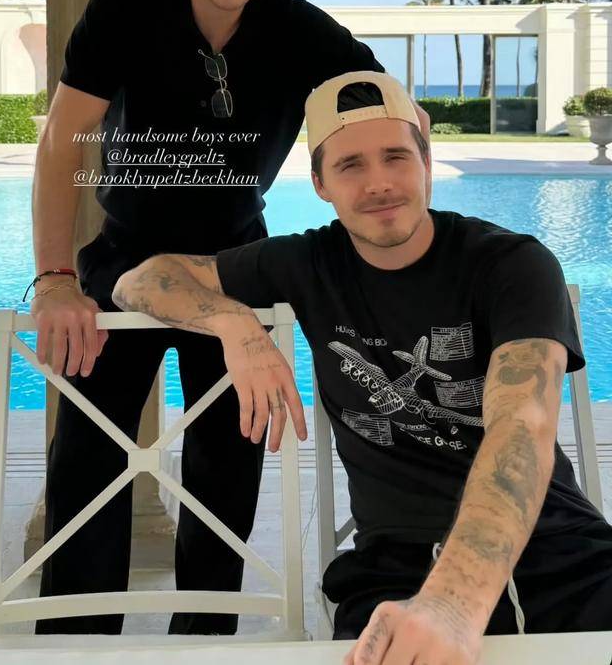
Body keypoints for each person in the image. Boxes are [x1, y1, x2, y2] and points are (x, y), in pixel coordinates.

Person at [29, 0, 431, 636]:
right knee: (88, 469)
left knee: (227, 471)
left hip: (237, 264)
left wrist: (400, 237)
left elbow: (402, 115)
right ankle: (73, 644)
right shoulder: (129, 0)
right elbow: (62, 137)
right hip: (123, 258)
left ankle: (205, 642)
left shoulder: (298, 28)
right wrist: (53, 277)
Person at [112, 70, 612, 662]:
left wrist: (453, 603)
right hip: (394, 566)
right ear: (320, 183)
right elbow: (140, 280)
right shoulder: (309, 263)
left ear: (426, 163)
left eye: (396, 157)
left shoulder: (512, 265)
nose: (379, 183)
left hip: (554, 546)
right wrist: (235, 325)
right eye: (350, 165)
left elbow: (521, 426)